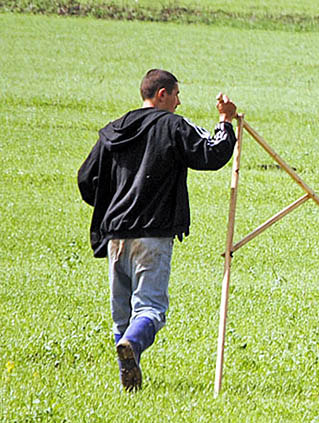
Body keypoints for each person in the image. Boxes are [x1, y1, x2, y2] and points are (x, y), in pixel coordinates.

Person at [77, 69, 238, 391]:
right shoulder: (172, 125)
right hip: (153, 234)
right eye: (176, 95)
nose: (179, 103)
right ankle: (132, 348)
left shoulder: (114, 130)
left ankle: (129, 379)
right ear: (162, 93)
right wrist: (225, 122)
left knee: (122, 317)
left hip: (115, 235)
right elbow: (210, 154)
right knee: (151, 309)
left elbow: (86, 179)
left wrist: (112, 206)